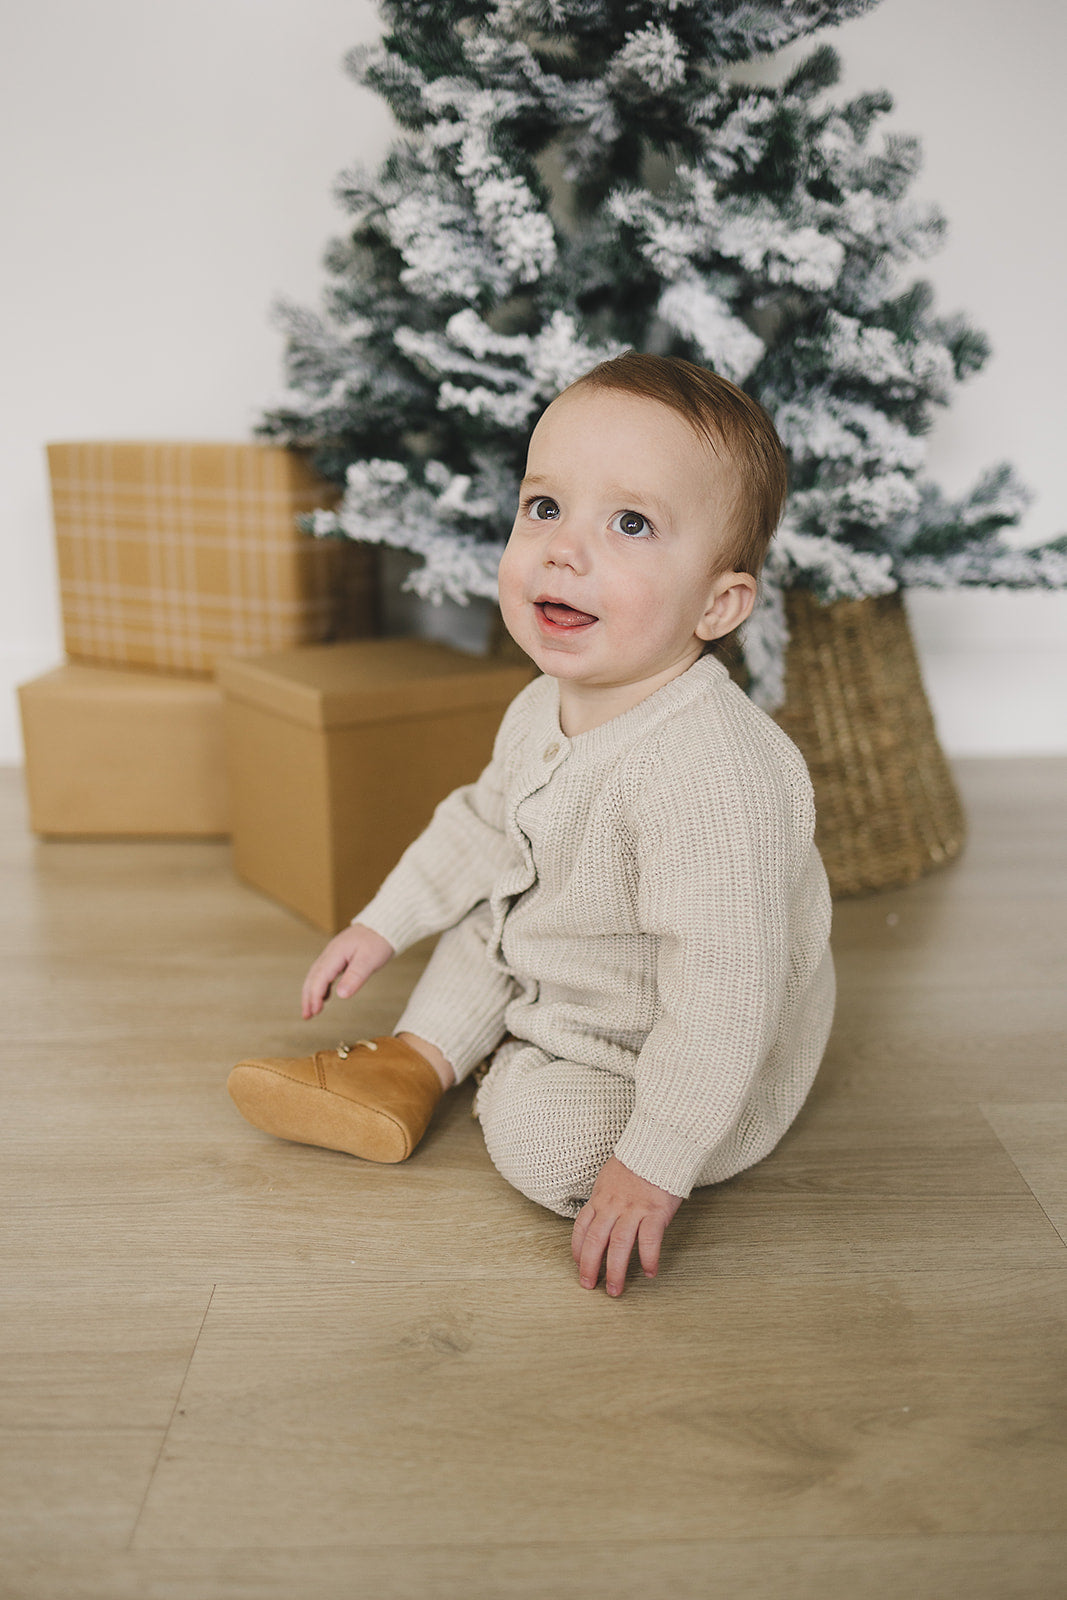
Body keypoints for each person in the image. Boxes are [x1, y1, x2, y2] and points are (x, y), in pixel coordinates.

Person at [228, 352, 835, 1297]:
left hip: (673, 1038)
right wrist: (382, 923)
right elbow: (479, 820)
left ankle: (499, 1066)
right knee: (494, 898)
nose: (561, 548)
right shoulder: (544, 702)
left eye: (630, 523)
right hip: (562, 944)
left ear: (718, 604)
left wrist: (655, 1161)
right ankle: (418, 1061)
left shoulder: (714, 776)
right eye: (543, 507)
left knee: (550, 1149)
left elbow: (726, 996)